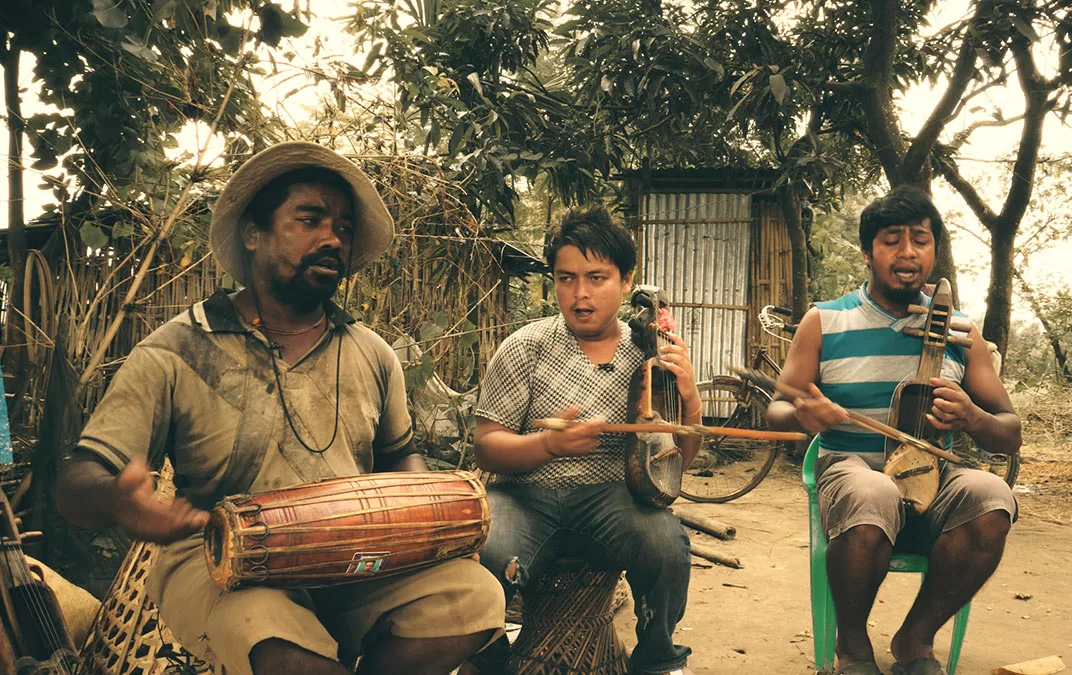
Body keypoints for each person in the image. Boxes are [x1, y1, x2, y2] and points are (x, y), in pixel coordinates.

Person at [56, 142, 506, 675]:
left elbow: (400, 458)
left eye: (342, 227)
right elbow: (78, 479)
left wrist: (429, 529)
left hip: (353, 556)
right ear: (254, 233)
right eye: (309, 219)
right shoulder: (176, 350)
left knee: (473, 596)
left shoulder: (372, 352)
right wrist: (121, 502)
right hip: (224, 562)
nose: (332, 238)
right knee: (278, 646)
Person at [766, 186, 1021, 675]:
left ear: (934, 250)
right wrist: (804, 415)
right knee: (872, 489)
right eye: (891, 240)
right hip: (852, 472)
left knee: (991, 497)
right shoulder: (826, 320)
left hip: (935, 481)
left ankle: (914, 640)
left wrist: (972, 416)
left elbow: (1008, 433)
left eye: (920, 240)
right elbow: (777, 409)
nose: (907, 252)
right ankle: (855, 648)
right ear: (868, 252)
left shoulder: (963, 333)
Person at [463, 208, 698, 675]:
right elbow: (488, 446)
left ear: (627, 281)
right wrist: (546, 447)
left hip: (612, 500)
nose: (581, 294)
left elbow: (676, 463)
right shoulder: (526, 345)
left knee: (667, 545)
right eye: (566, 278)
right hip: (524, 498)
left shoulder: (651, 353)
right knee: (485, 547)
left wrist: (688, 399)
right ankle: (487, 658)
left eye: (597, 277)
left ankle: (656, 658)